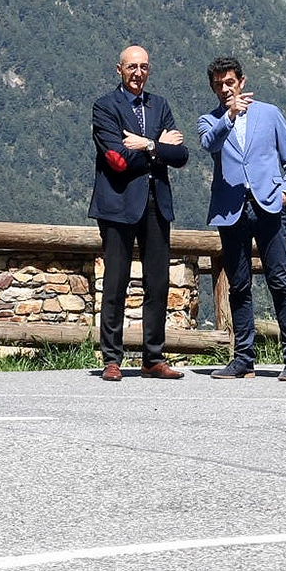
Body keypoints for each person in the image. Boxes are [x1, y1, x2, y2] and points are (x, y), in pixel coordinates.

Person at [197, 56, 286, 381]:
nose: (225, 89)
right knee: (239, 286)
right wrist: (229, 116)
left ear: (241, 81)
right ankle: (244, 358)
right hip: (231, 212)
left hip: (268, 206)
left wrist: (285, 194)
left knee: (280, 282)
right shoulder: (210, 120)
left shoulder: (269, 114)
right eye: (218, 85)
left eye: (229, 83)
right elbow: (208, 143)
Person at [89, 44, 189, 381]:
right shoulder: (105, 107)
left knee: (157, 283)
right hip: (117, 205)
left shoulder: (160, 105)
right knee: (115, 282)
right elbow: (115, 160)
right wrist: (159, 147)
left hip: (156, 203)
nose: (138, 73)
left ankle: (153, 357)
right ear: (119, 70)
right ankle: (112, 358)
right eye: (132, 67)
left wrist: (145, 145)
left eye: (144, 67)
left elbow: (182, 155)